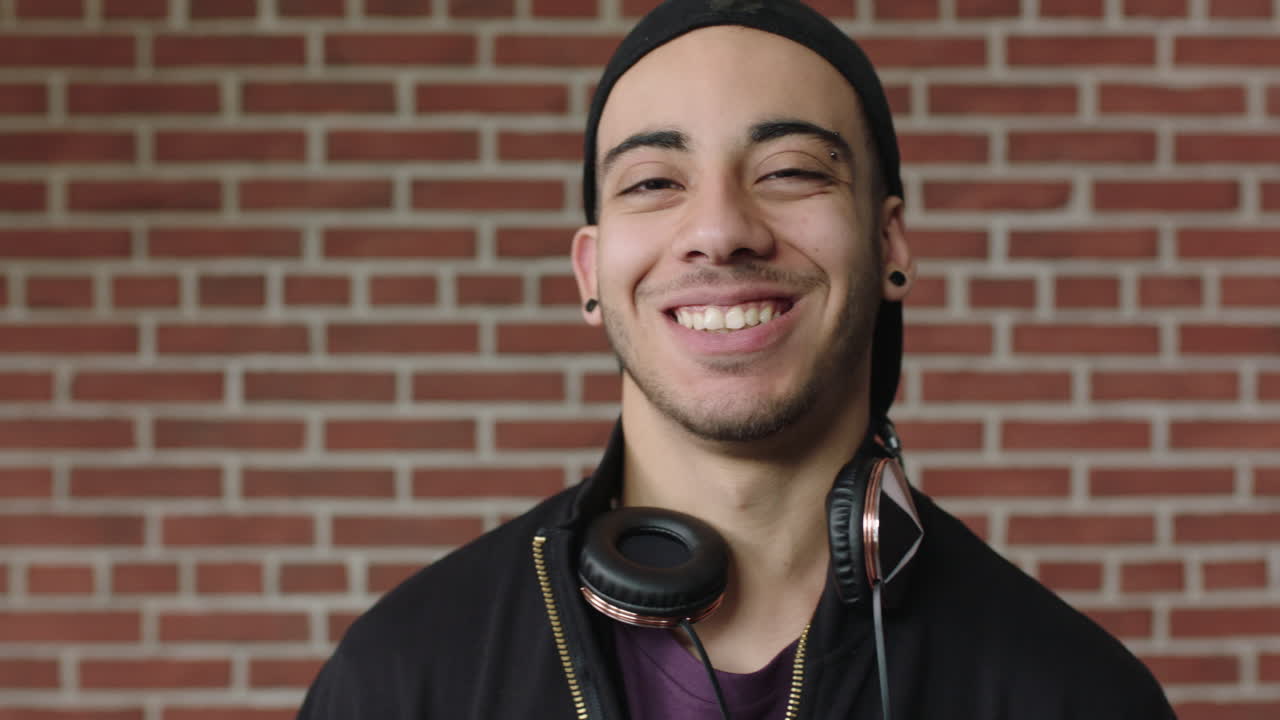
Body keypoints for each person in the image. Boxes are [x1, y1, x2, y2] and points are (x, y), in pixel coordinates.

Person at [296, 1, 1176, 718]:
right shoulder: (400, 681)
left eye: (791, 171)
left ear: (890, 241)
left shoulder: (1074, 693)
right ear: (590, 271)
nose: (720, 230)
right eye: (653, 182)